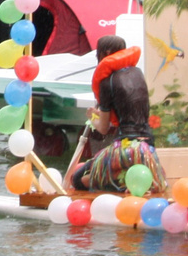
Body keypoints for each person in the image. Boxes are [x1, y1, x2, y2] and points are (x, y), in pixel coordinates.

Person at [69, 35, 163, 192]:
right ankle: (134, 182)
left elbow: (103, 129)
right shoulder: (137, 73)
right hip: (147, 146)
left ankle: (123, 187)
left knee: (78, 178)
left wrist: (92, 116)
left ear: (105, 53)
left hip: (125, 149)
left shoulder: (107, 83)